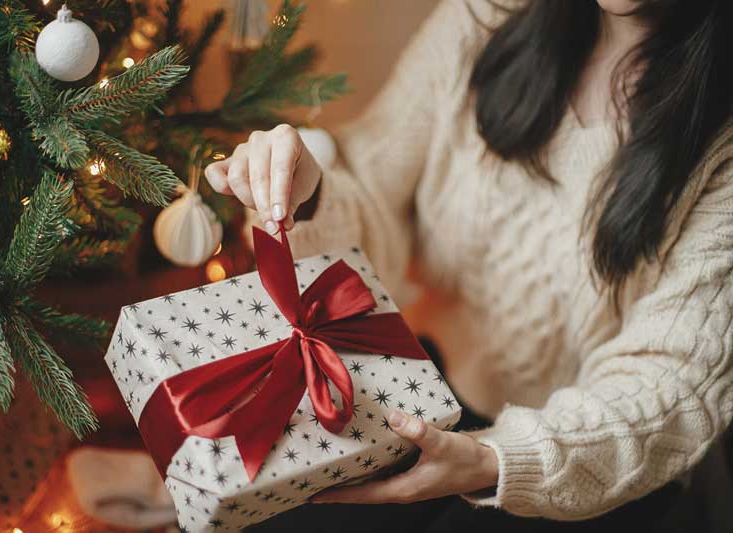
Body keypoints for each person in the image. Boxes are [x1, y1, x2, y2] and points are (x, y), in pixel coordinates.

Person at [204, 0, 733, 529]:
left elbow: (668, 381)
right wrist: (311, 194)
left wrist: (496, 460)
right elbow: (372, 204)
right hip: (427, 389)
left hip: (583, 460)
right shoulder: (480, 19)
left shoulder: (720, 135)